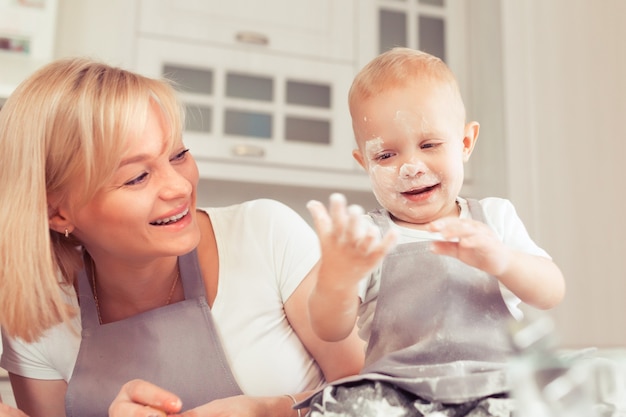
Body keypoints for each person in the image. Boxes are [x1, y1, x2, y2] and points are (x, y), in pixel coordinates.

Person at [0, 57, 364, 417]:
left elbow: (382, 393)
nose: (179, 186)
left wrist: (274, 411)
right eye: (137, 177)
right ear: (56, 212)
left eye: (179, 154)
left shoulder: (267, 235)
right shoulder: (39, 317)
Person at [302, 47, 566, 416]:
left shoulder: (493, 217)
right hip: (398, 391)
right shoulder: (366, 236)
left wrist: (503, 260)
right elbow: (329, 329)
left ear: (465, 143)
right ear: (364, 163)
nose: (411, 167)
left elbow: (551, 291)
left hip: (498, 383)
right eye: (386, 155)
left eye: (429, 145)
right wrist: (337, 281)